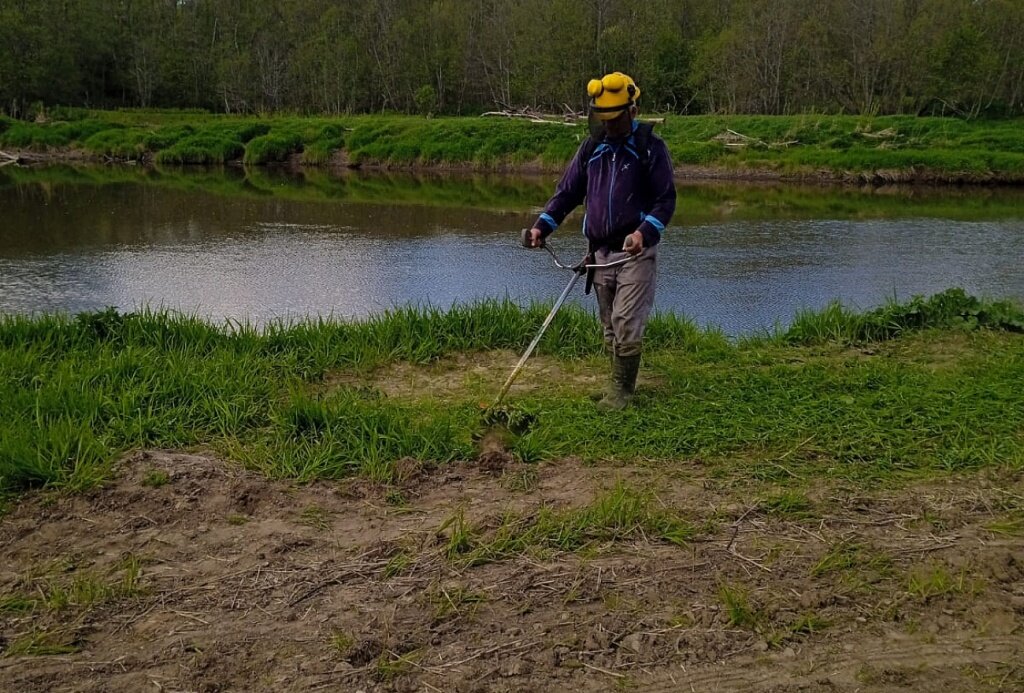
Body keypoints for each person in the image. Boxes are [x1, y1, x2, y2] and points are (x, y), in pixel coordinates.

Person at [526, 72, 676, 410]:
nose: (607, 127)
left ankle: (623, 392)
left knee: (625, 319)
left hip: (635, 252)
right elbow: (567, 194)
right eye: (602, 119)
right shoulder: (591, 149)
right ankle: (616, 387)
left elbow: (665, 201)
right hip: (599, 252)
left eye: (614, 120)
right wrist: (541, 228)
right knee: (609, 323)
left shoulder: (650, 148)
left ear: (632, 112)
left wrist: (642, 234)